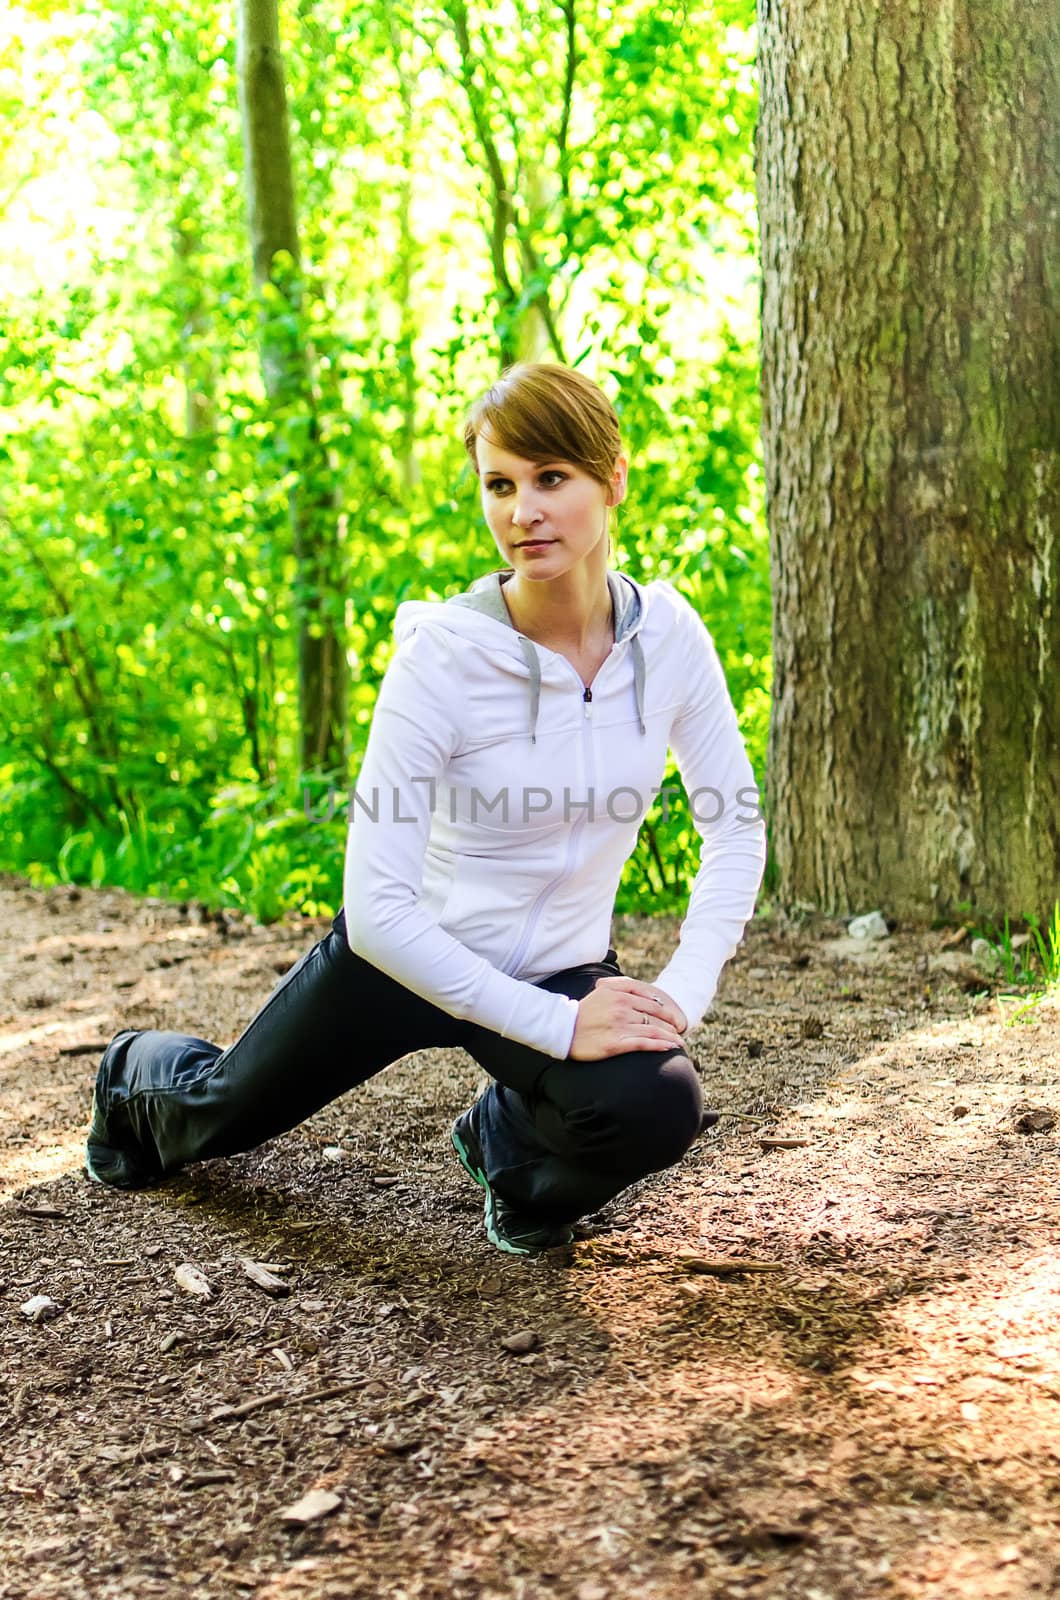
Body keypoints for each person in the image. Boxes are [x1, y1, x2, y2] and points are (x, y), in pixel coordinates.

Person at [86, 362, 767, 1256]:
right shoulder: (443, 658)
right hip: (401, 961)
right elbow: (377, 912)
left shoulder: (670, 638)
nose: (522, 510)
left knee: (655, 1103)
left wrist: (678, 995)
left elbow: (735, 824)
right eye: (499, 484)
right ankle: (132, 1079)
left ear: (615, 480)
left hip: (558, 964)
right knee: (217, 1117)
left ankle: (510, 1154)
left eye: (550, 479)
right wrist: (560, 1028)